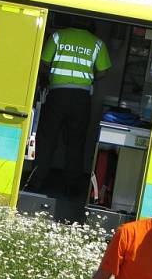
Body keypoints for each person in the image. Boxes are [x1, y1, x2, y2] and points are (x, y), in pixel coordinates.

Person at [28, 16, 111, 193]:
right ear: (91, 25)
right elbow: (103, 72)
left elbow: (43, 63)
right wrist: (87, 79)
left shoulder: (57, 36)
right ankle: (72, 185)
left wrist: (50, 75)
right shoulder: (97, 43)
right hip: (81, 97)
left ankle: (36, 180)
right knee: (76, 141)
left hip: (57, 94)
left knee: (47, 138)